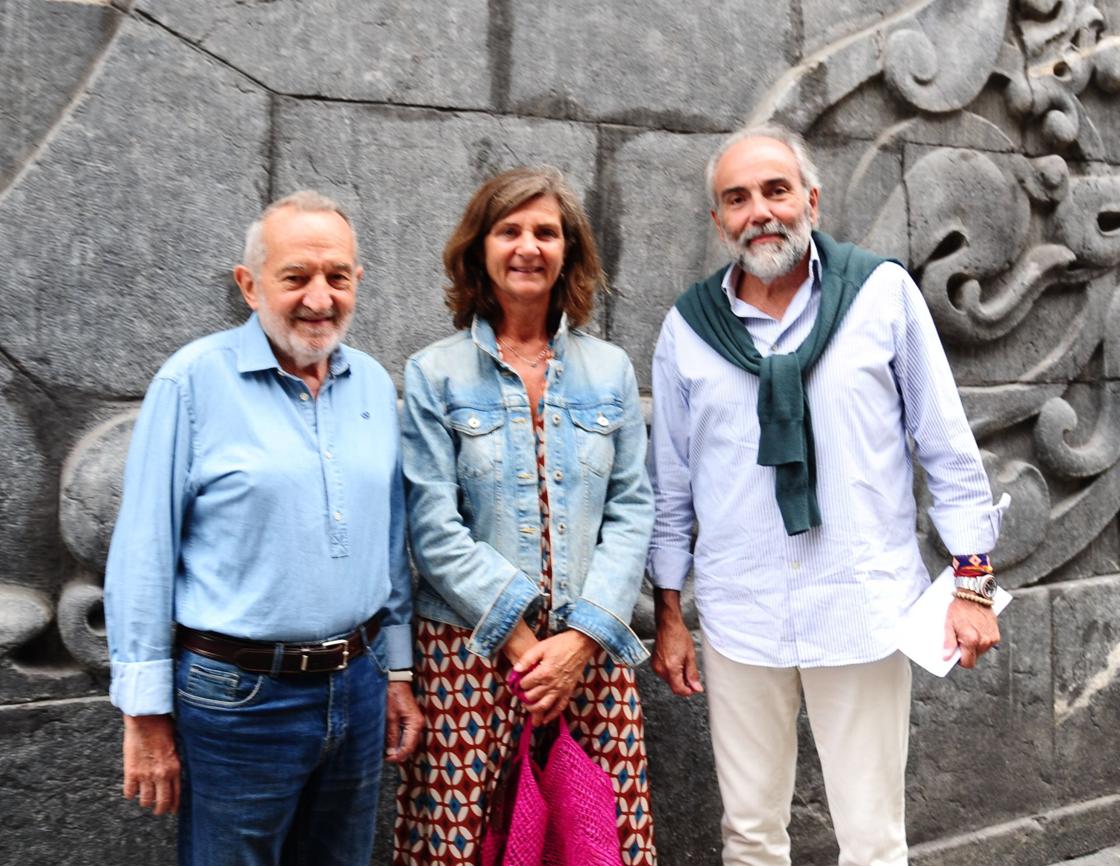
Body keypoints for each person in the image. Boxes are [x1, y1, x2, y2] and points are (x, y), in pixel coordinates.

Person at [647, 125, 1008, 866]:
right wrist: (671, 615)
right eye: (737, 199)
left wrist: (973, 585)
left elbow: (944, 441)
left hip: (861, 605)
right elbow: (672, 483)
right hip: (741, 614)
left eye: (776, 190)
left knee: (873, 838)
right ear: (719, 221)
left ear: (812, 197)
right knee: (749, 836)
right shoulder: (689, 328)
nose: (760, 212)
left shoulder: (879, 294)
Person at [103, 190, 422, 866]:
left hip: (358, 686)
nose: (319, 297)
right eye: (296, 277)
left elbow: (388, 546)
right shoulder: (192, 382)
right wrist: (144, 714)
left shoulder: (371, 384)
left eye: (337, 277)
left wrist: (397, 672)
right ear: (250, 285)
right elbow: (143, 553)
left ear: (357, 282)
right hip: (238, 700)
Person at [393, 166, 657, 866]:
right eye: (509, 230)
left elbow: (633, 509)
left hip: (589, 659)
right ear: (480, 247)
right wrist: (518, 641)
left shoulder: (610, 372)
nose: (528, 246)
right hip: (470, 658)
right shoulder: (434, 374)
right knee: (467, 848)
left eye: (546, 231)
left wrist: (577, 644)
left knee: (593, 844)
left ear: (568, 249)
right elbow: (431, 524)